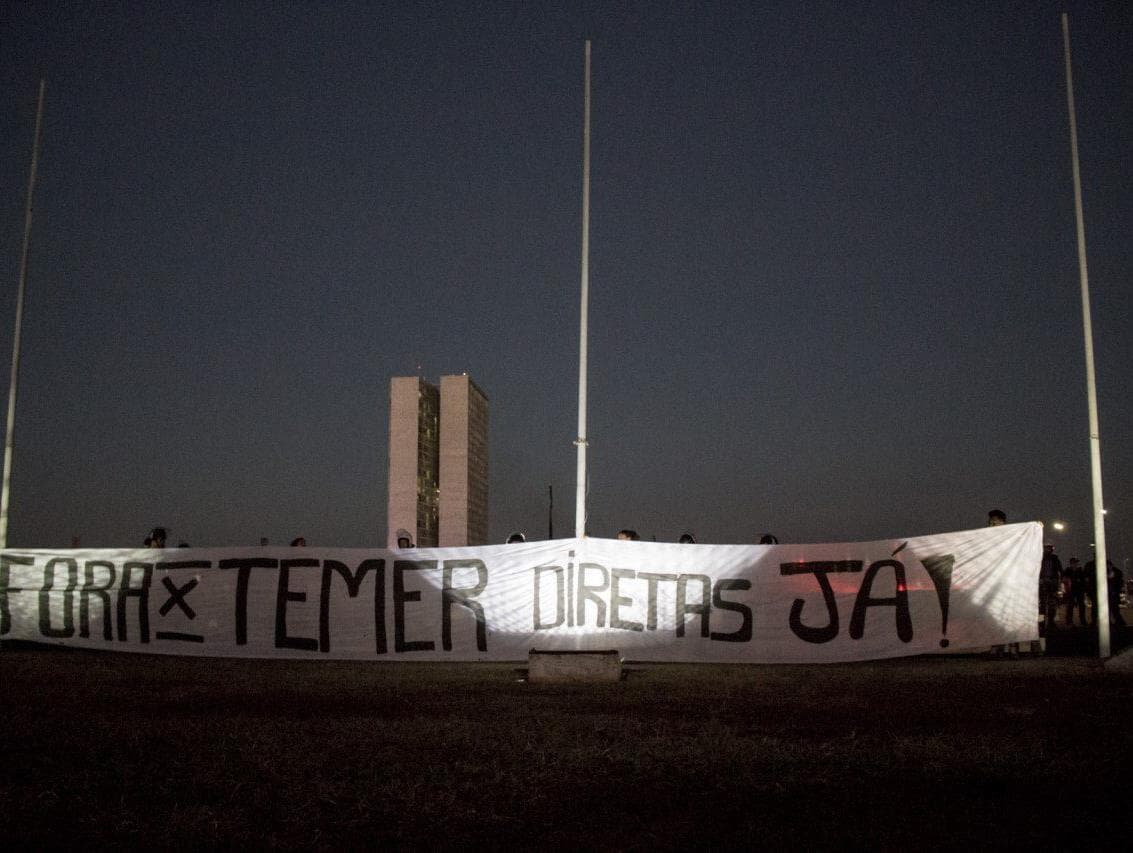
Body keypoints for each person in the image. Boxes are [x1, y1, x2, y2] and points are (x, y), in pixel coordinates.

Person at [1038, 544, 1063, 634]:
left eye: (1050, 548)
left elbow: (1060, 569)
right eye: (1047, 548)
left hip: (1052, 583)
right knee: (1043, 605)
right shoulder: (1040, 558)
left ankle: (1051, 623)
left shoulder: (1055, 558)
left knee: (1052, 604)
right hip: (1044, 583)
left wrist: (1060, 579)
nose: (1048, 550)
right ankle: (1041, 624)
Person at [1064, 557, 1088, 626]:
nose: (1075, 564)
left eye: (1076, 563)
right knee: (1070, 606)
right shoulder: (1068, 570)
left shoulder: (1080, 571)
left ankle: (1082, 620)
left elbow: (1084, 580)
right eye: (1074, 563)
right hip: (1071, 590)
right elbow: (1065, 579)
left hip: (1079, 590)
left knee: (1081, 606)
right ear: (1071, 563)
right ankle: (1069, 621)